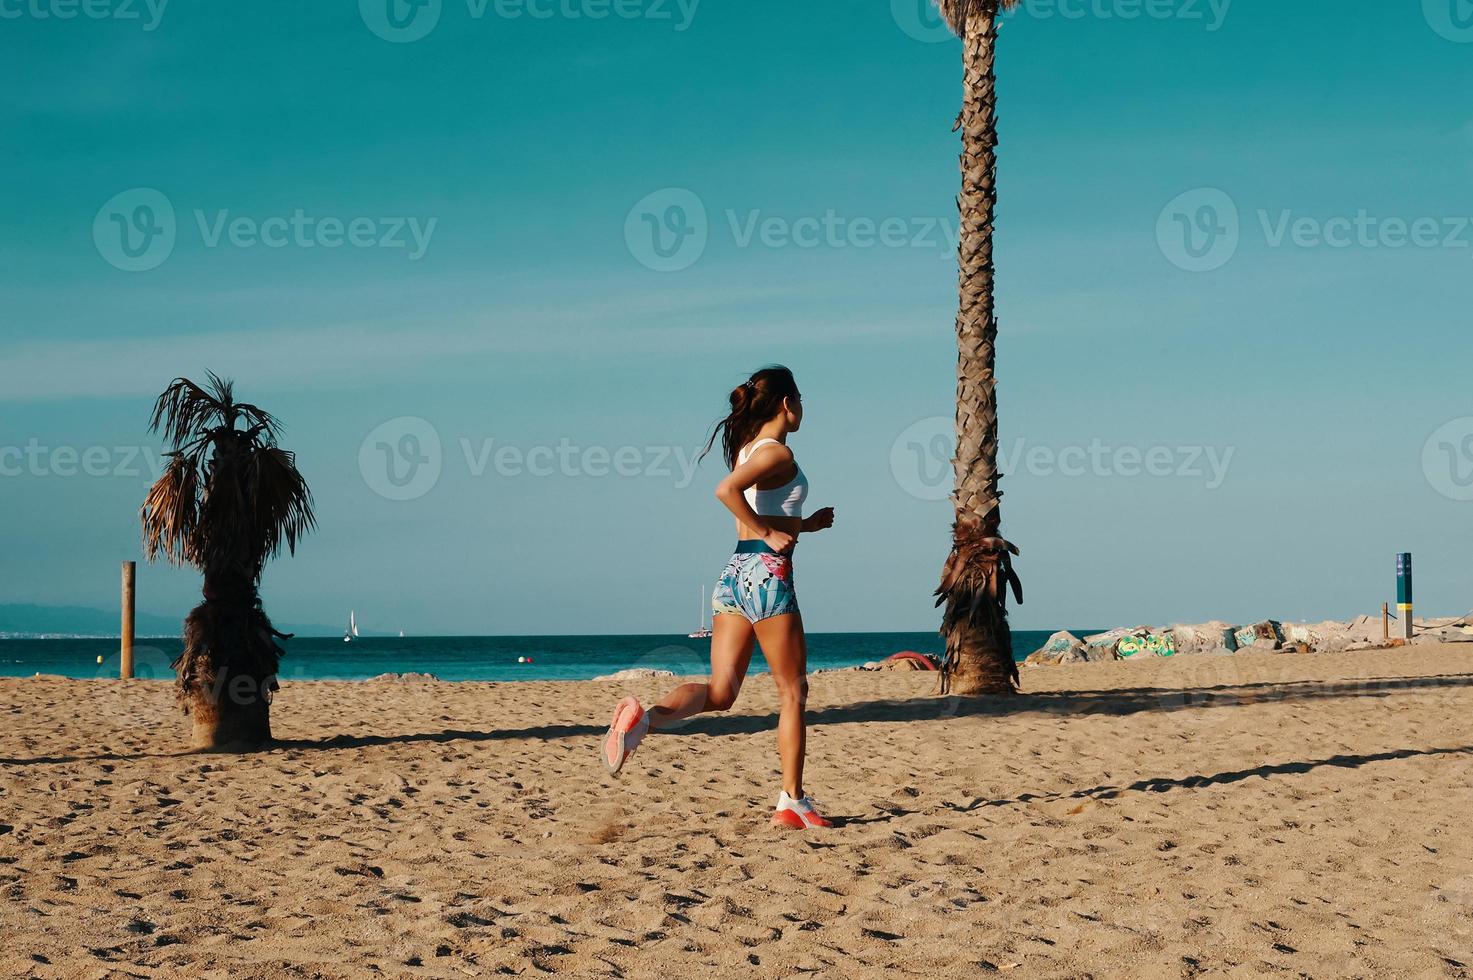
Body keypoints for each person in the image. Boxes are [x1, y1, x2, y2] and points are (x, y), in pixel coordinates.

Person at [601, 365, 836, 829]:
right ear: (787, 404)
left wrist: (802, 525)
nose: (804, 407)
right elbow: (726, 491)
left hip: (733, 575)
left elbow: (756, 505)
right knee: (793, 693)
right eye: (801, 398)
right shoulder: (777, 454)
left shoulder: (750, 450)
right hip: (767, 577)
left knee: (721, 692)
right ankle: (792, 800)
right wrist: (771, 533)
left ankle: (643, 722)